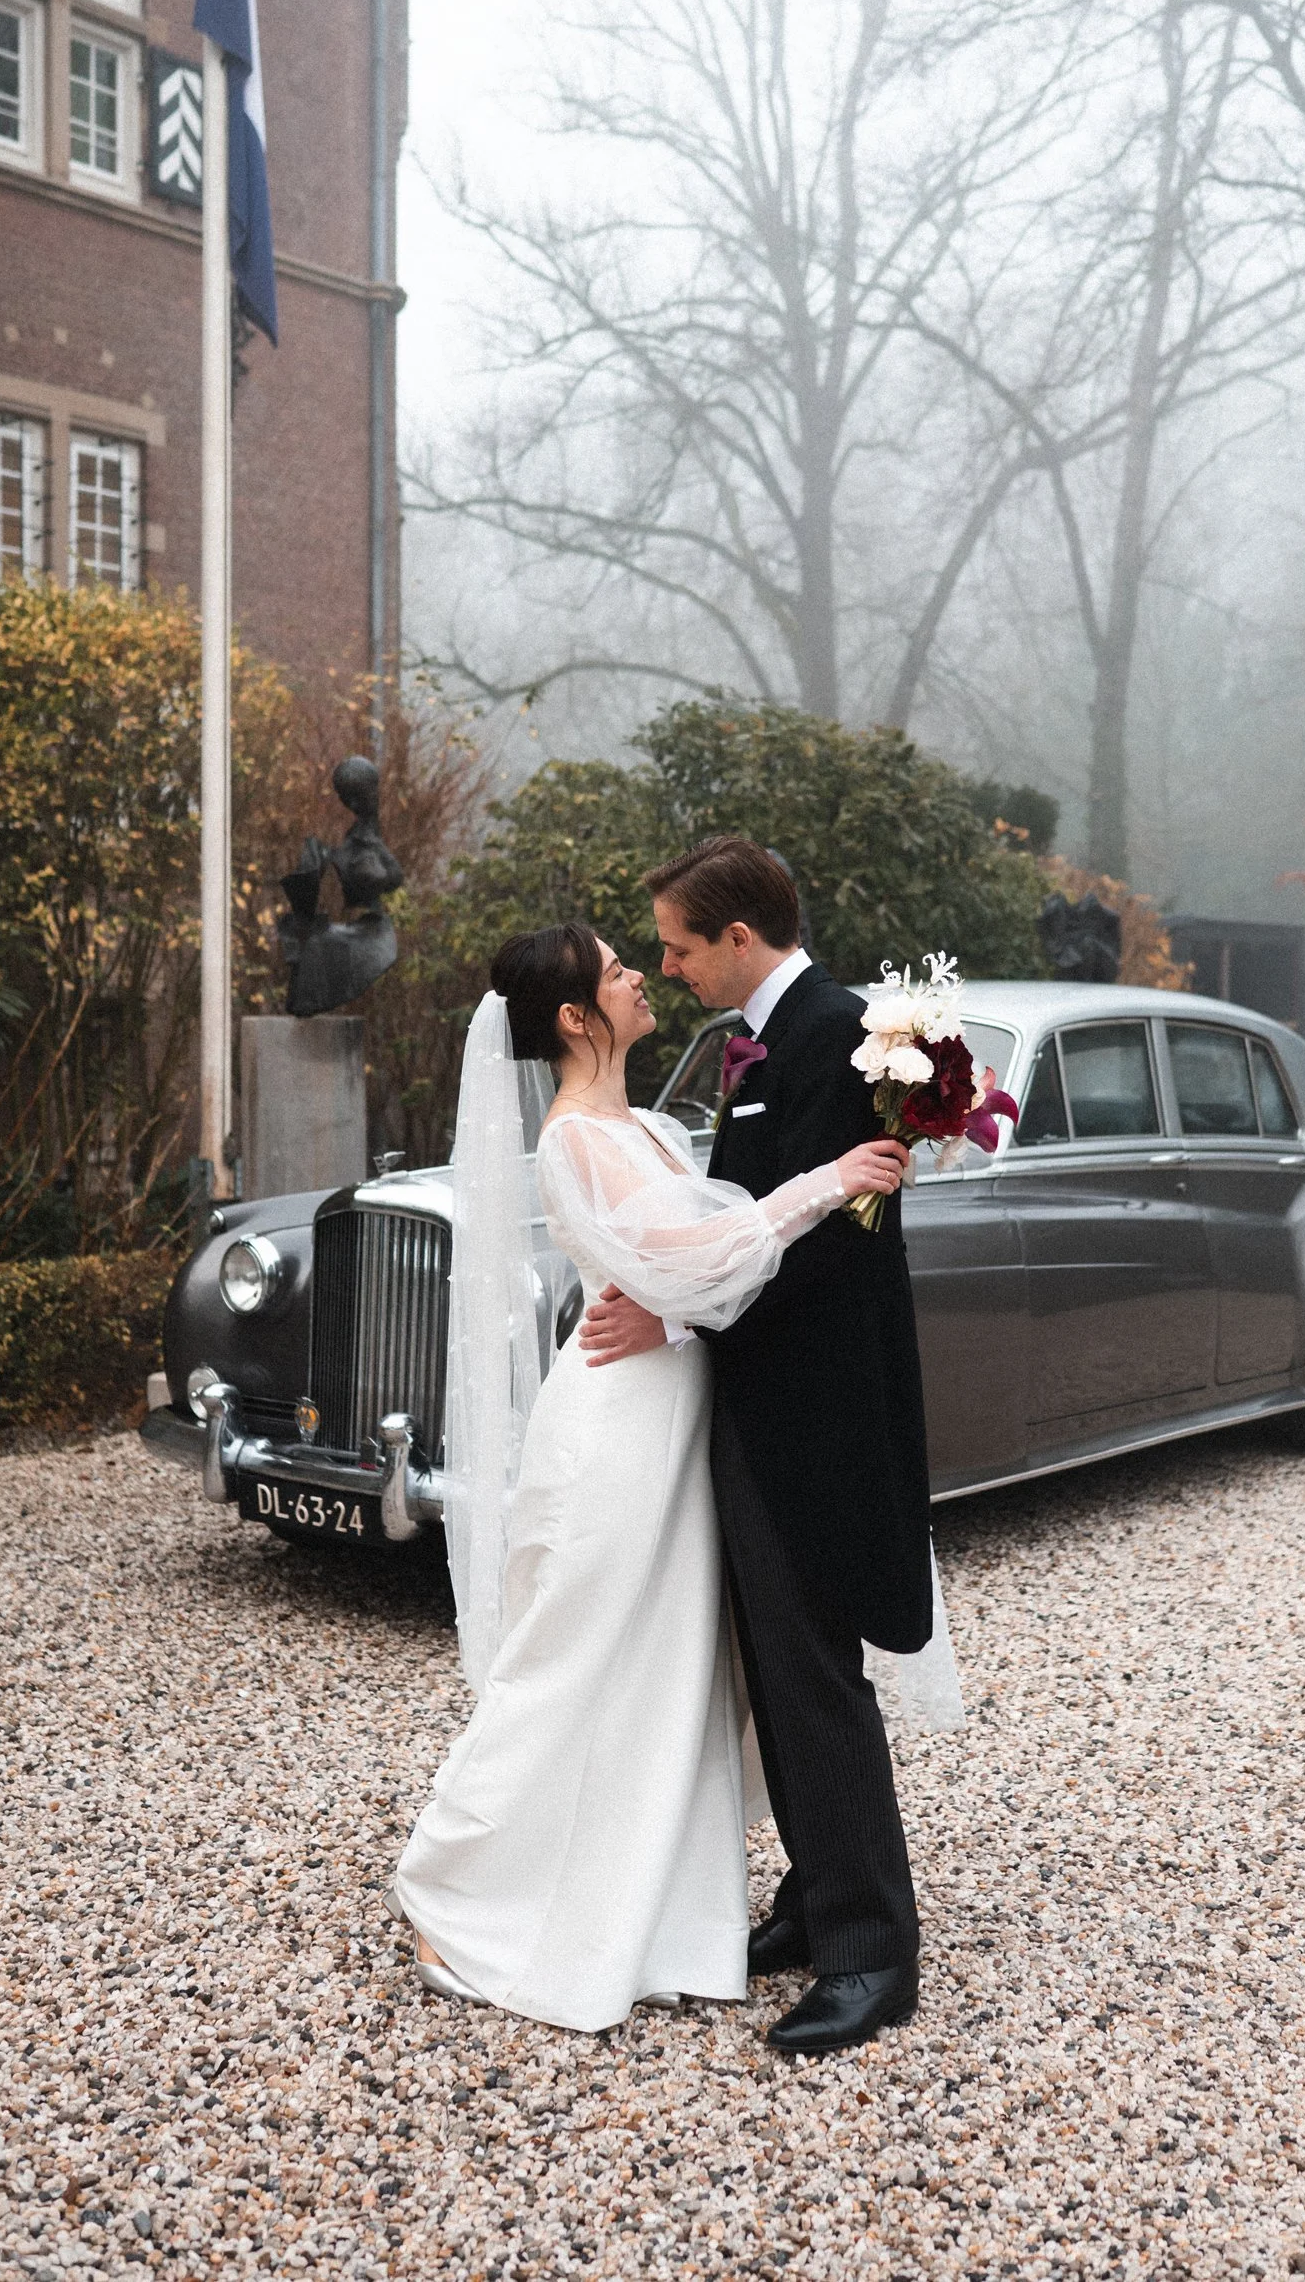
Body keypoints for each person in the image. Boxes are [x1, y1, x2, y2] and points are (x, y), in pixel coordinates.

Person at [389, 922, 907, 2035]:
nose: (637, 973)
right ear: (575, 1017)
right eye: (615, 969)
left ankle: (654, 1906)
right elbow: (686, 1259)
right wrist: (823, 1183)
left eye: (636, 957)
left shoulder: (654, 1128)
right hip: (614, 1435)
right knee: (572, 1653)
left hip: (678, 1420)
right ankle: (456, 1875)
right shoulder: (574, 1139)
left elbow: (685, 1272)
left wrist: (671, 1299)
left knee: (663, 1670)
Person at [579, 838, 937, 2056]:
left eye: (677, 945)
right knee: (773, 1670)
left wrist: (673, 1307)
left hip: (819, 1415)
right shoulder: (769, 1041)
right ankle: (811, 1890)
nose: (667, 966)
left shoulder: (842, 1034)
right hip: (761, 1401)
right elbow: (749, 1219)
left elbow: (832, 1250)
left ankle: (870, 1948)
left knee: (813, 1670)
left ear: (738, 938)